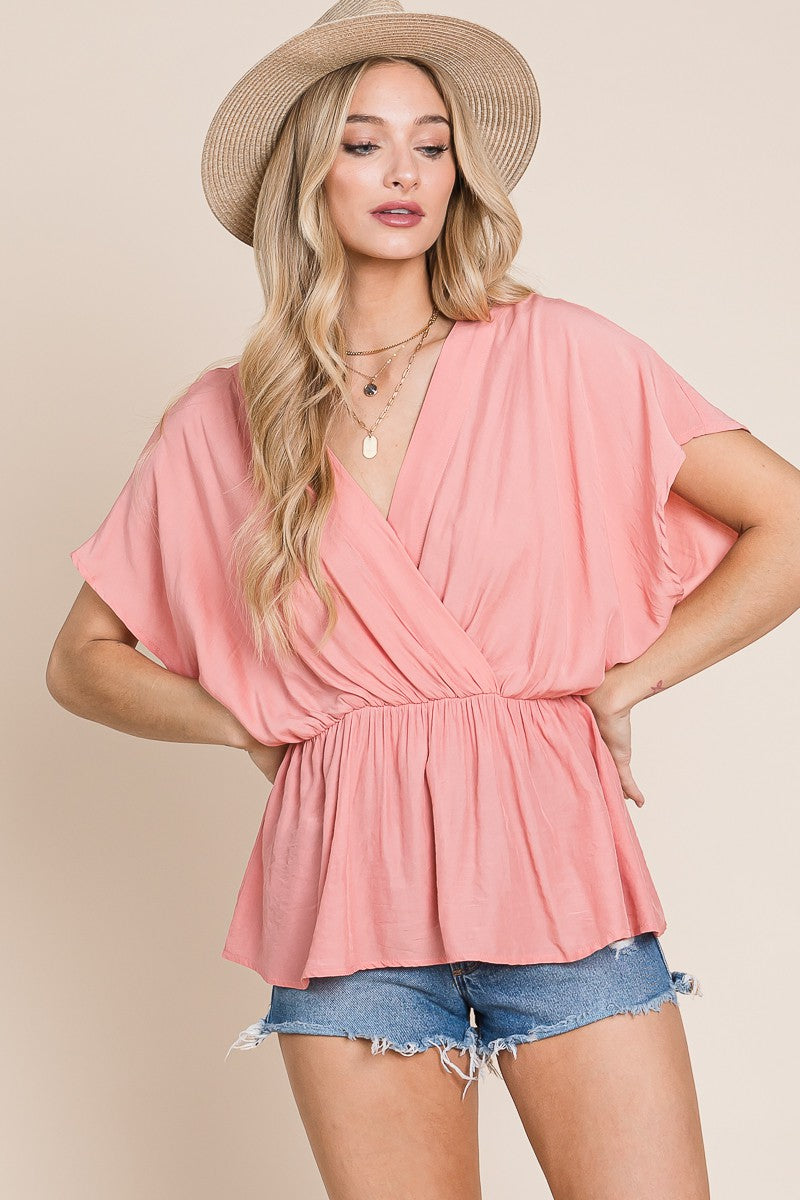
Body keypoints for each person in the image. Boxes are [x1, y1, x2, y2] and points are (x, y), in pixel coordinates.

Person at [46, 2, 800, 1197]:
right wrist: (250, 719)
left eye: (431, 143)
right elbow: (81, 659)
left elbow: (785, 518)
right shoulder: (224, 418)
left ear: (459, 173)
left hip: (555, 867)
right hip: (345, 894)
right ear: (309, 174)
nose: (403, 171)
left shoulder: (561, 353)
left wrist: (630, 679)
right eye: (362, 142)